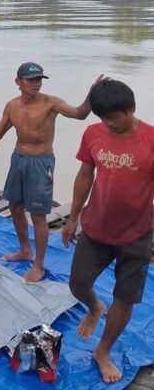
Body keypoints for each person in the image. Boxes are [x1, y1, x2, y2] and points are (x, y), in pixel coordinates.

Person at [0, 63, 103, 282]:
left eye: (39, 80)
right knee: (15, 206)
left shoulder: (51, 103)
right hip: (18, 159)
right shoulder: (12, 106)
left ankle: (39, 265)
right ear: (18, 82)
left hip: (40, 163)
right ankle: (25, 250)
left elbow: (79, 114)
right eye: (31, 80)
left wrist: (91, 94)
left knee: (38, 215)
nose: (36, 84)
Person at [62, 79, 154, 384]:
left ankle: (103, 351)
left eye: (113, 117)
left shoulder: (151, 139)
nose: (108, 124)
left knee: (125, 298)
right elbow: (84, 174)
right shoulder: (93, 133)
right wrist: (72, 218)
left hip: (136, 235)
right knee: (77, 283)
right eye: (103, 118)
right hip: (95, 229)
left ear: (131, 109)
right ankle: (94, 307)